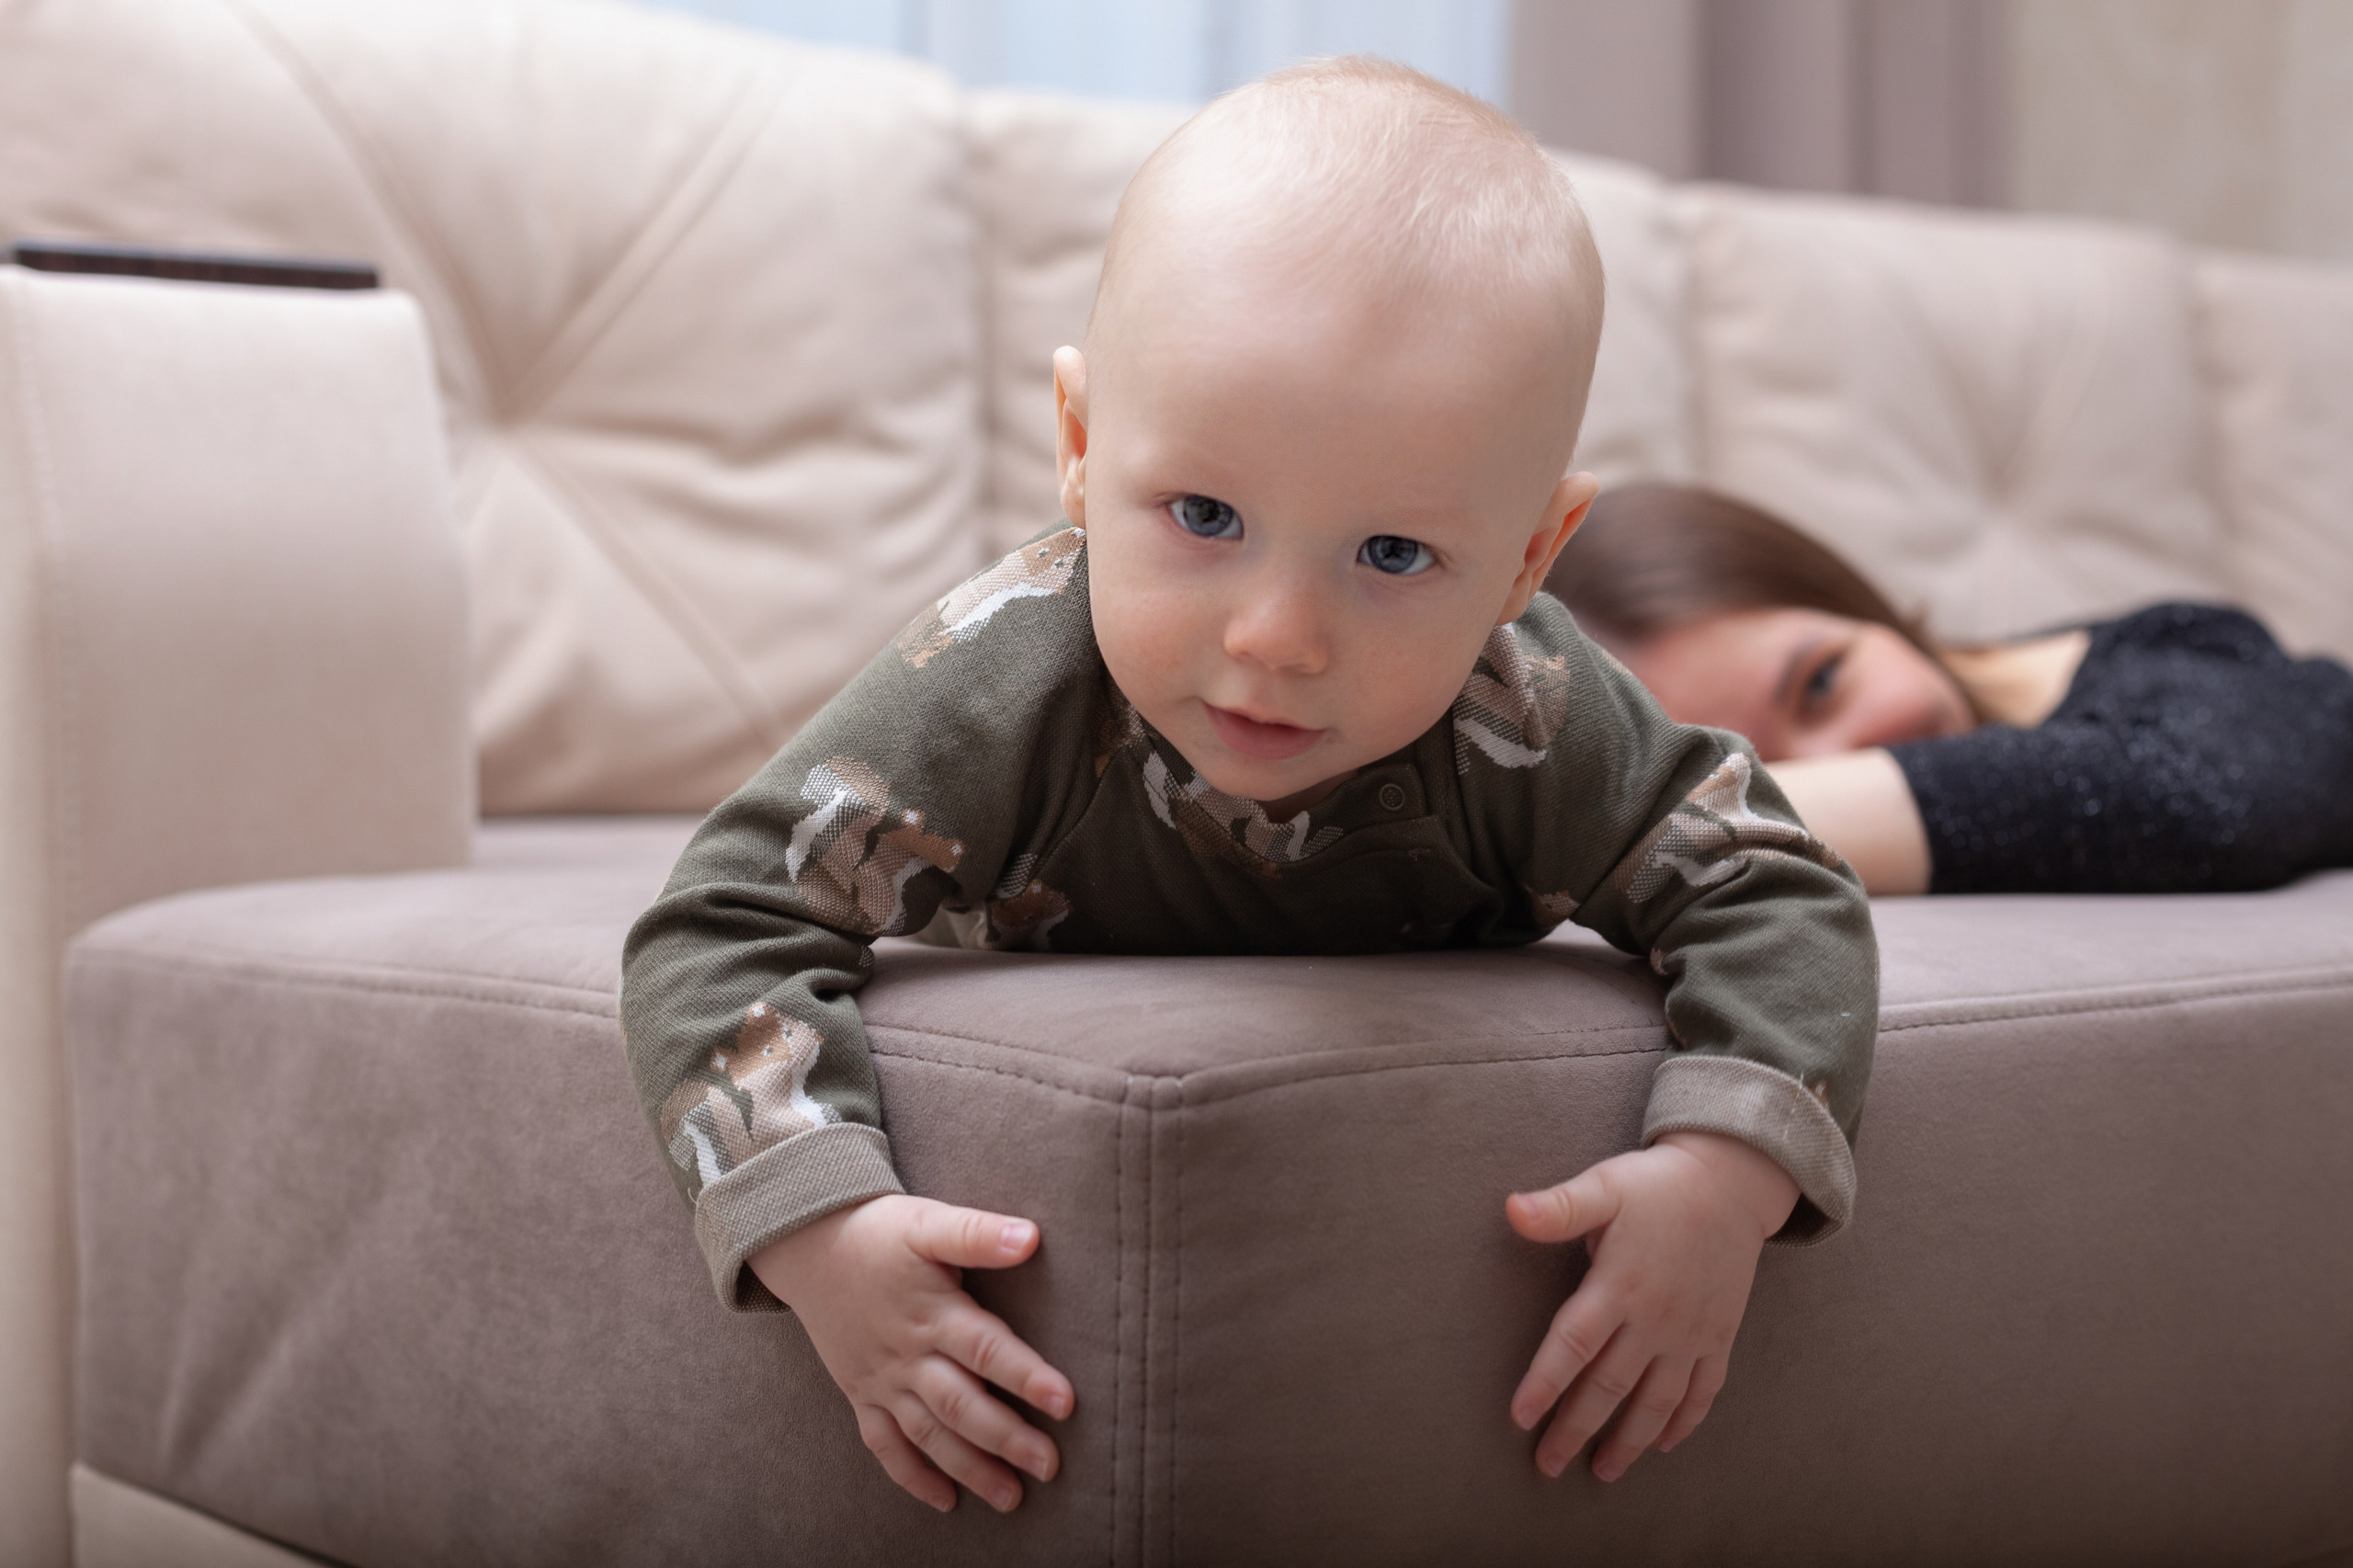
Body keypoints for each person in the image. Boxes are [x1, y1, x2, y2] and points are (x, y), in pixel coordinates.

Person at [620, 61, 1878, 1515]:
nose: (1277, 638)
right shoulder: (998, 682)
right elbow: (721, 920)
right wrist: (820, 1227)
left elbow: (1773, 885)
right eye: (1204, 515)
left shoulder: (1525, 704)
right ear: (1084, 455)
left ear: (1531, 558)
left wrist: (1725, 1174)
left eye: (1394, 555)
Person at [1546, 483, 2353, 896]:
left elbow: (2207, 799)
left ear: (1853, 599)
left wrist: (1662, 817)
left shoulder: (2184, 651)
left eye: (1822, 683)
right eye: (1744, 758)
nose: (1847, 761)